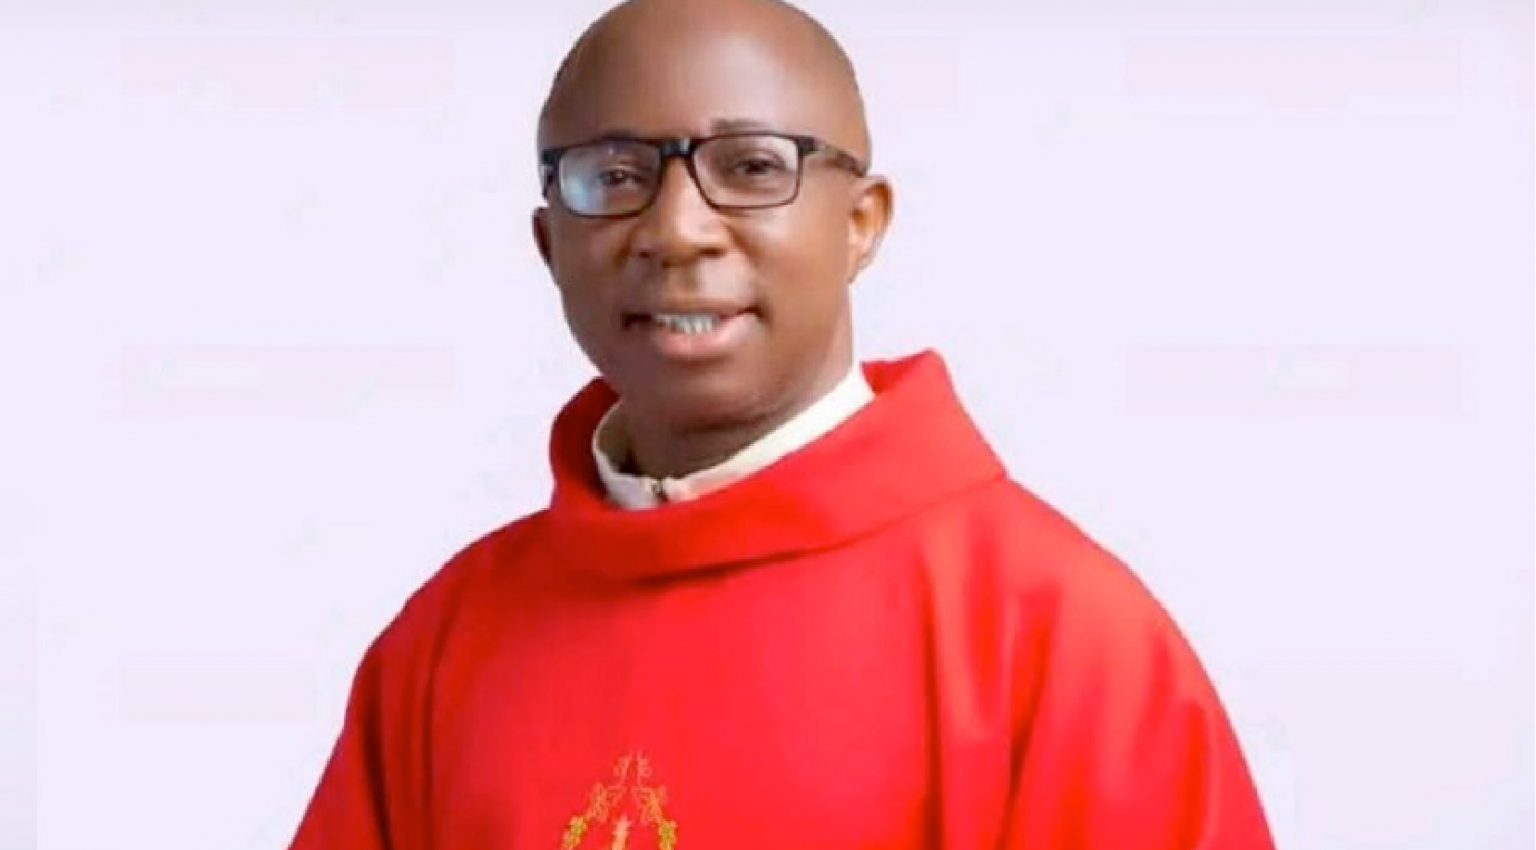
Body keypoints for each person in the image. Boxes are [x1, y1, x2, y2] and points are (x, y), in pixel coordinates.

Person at [285, 0, 1278, 846]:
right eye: (615, 176)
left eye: (753, 167)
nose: (676, 230)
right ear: (550, 244)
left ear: (861, 224)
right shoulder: (446, 642)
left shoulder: (1058, 638)